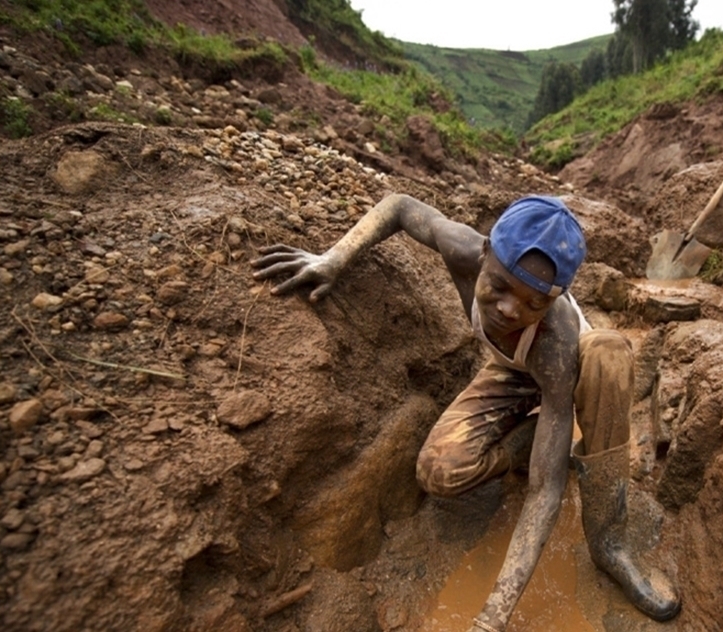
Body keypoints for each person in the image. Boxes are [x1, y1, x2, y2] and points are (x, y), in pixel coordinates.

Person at [251, 193, 680, 631]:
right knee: (440, 471)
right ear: (485, 254)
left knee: (607, 352)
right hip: (512, 371)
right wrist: (335, 258)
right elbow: (399, 207)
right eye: (499, 287)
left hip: (566, 377)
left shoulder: (556, 340)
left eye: (535, 303)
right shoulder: (462, 248)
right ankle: (528, 441)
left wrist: (492, 618)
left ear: (555, 299)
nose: (512, 309)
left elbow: (544, 492)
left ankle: (609, 543)